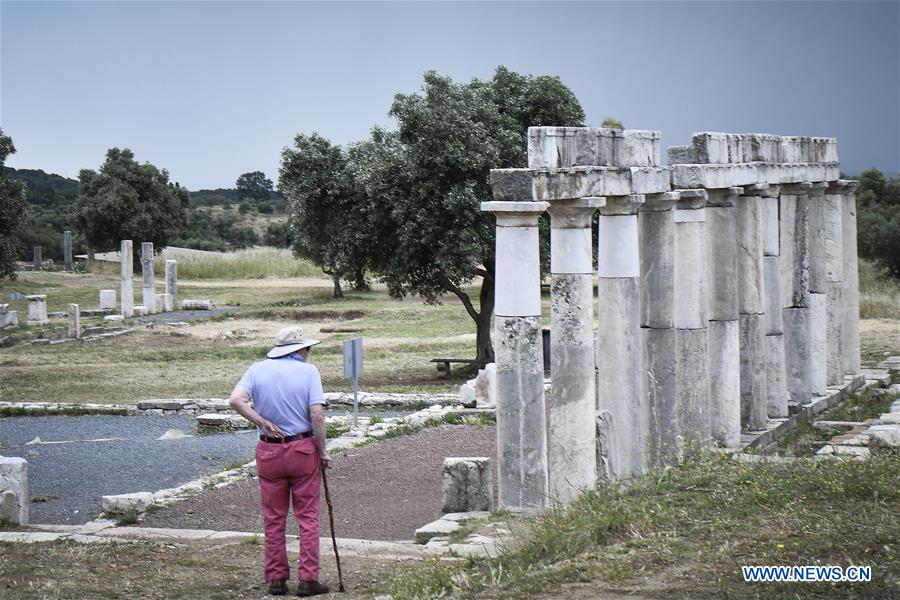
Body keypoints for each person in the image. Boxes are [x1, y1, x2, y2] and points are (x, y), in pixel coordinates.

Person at [228, 325, 332, 597]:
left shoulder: (256, 369)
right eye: (308, 348)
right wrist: (322, 450)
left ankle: (276, 579)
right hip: (302, 449)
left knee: (273, 518)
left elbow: (236, 400)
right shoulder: (308, 372)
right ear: (299, 350)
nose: (309, 353)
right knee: (308, 516)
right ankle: (308, 579)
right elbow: (317, 415)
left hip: (269, 450)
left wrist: (262, 422)